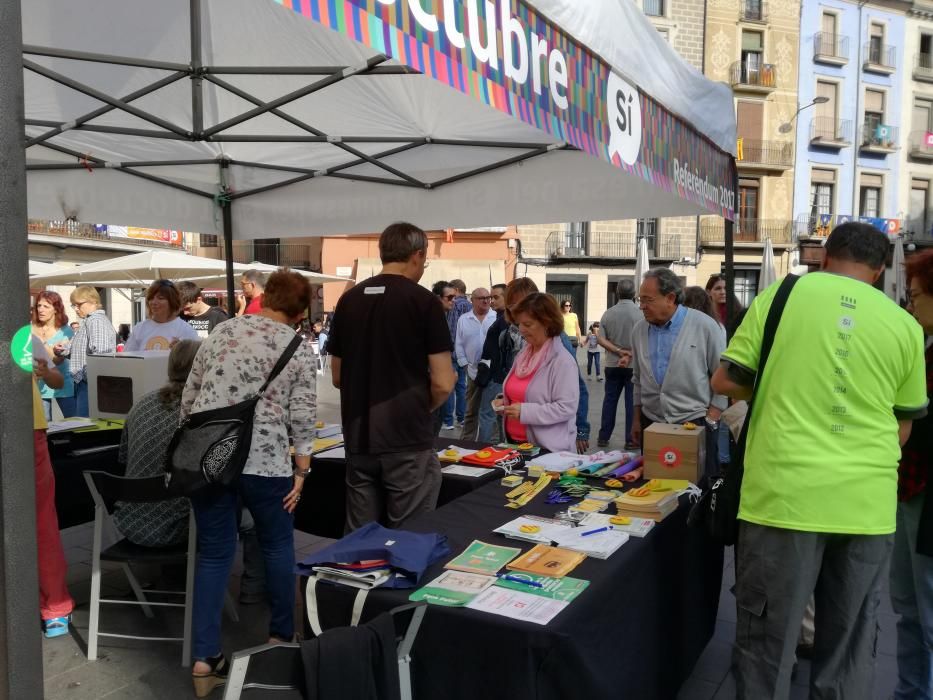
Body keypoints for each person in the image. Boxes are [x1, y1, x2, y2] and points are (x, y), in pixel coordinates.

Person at [710, 222, 928, 698]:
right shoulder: (906, 326)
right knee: (848, 648)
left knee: (767, 646)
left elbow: (724, 382)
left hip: (783, 499)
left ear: (825, 257)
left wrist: (780, 382)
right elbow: (904, 424)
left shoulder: (781, 296)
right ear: (880, 269)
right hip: (867, 508)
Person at [182, 270, 317, 696]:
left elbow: (190, 399)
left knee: (213, 555)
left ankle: (205, 659)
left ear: (266, 296)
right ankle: (279, 639)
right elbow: (302, 416)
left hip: (211, 460)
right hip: (266, 463)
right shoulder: (297, 347)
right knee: (277, 546)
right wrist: (302, 472)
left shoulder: (222, 332)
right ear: (298, 312)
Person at [327, 222, 456, 532]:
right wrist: (421, 407)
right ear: (417, 255)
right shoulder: (425, 302)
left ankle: (355, 580)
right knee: (408, 534)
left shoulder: (349, 300)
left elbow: (337, 376)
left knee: (359, 538)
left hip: (359, 437)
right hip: (407, 439)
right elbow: (443, 381)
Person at [890, 248, 933, 699]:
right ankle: (909, 692)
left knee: (927, 612)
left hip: (926, 498)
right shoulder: (921, 347)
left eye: (917, 296)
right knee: (907, 606)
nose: (911, 304)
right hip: (908, 490)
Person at [114, 340, 200, 548]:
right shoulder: (200, 409)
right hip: (179, 525)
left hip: (130, 521)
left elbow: (124, 458)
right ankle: (254, 580)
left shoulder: (142, 403)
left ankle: (172, 577)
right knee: (249, 515)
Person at [630, 269, 727, 450]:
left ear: (670, 298)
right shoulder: (639, 330)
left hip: (694, 423)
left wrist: (712, 417)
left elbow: (724, 375)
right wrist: (636, 419)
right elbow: (637, 379)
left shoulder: (704, 326)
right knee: (654, 478)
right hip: (651, 423)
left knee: (694, 478)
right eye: (640, 299)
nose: (642, 306)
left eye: (647, 300)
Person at [506, 278, 591, 453]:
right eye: (519, 323)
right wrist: (506, 401)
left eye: (527, 324)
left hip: (548, 452)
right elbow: (528, 392)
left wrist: (524, 412)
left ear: (546, 323)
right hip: (517, 446)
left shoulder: (561, 358)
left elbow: (567, 406)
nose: (521, 329)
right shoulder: (525, 352)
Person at [31, 358, 75, 638]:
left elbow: (56, 378)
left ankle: (55, 604)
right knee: (42, 519)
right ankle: (55, 606)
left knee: (42, 519)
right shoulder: (22, 336)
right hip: (27, 423)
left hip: (28, 424)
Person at [56, 286, 116, 416]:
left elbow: (101, 355)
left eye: (79, 304)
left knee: (85, 429)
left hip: (90, 385)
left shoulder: (96, 321)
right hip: (86, 383)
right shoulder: (89, 321)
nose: (76, 309)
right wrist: (63, 350)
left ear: (93, 301)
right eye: (74, 305)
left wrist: (85, 376)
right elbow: (79, 350)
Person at [597, 280, 643, 449]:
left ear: (617, 292)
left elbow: (600, 339)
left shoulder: (608, 314)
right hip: (633, 365)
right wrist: (630, 353)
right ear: (634, 294)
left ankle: (603, 437)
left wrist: (617, 351)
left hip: (612, 363)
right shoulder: (640, 314)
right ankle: (631, 440)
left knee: (609, 400)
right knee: (632, 403)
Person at [455, 287, 495, 440]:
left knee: (491, 410)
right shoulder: (464, 319)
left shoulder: (495, 317)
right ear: (472, 300)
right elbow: (458, 344)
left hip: (492, 371)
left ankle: (491, 443)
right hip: (473, 371)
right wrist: (464, 364)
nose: (486, 300)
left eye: (488, 297)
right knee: (471, 411)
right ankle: (466, 442)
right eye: (481, 298)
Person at [31, 291, 76, 419]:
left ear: (56, 309)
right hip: (39, 384)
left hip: (63, 382)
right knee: (45, 426)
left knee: (72, 422)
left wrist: (38, 342)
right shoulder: (29, 328)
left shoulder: (66, 331)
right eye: (39, 306)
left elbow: (57, 359)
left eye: (46, 306)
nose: (41, 309)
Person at [125, 280, 199, 351]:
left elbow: (194, 359)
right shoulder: (139, 329)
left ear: (172, 302)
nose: (154, 302)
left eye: (160, 298)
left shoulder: (186, 330)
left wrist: (181, 351)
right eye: (151, 298)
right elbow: (127, 359)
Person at [475, 283, 508, 443]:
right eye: (490, 297)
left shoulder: (505, 322)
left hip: (497, 377)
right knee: (501, 416)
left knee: (487, 414)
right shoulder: (500, 319)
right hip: (498, 375)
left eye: (496, 297)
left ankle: (482, 451)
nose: (491, 301)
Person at [443, 279, 472, 430]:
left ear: (455, 289)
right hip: (466, 353)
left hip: (454, 351)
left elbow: (452, 329)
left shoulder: (455, 305)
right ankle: (461, 419)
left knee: (450, 386)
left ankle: (448, 421)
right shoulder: (470, 306)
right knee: (462, 387)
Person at [431, 281, 456, 435]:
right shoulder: (432, 319)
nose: (453, 300)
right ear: (438, 298)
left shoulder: (444, 316)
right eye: (449, 297)